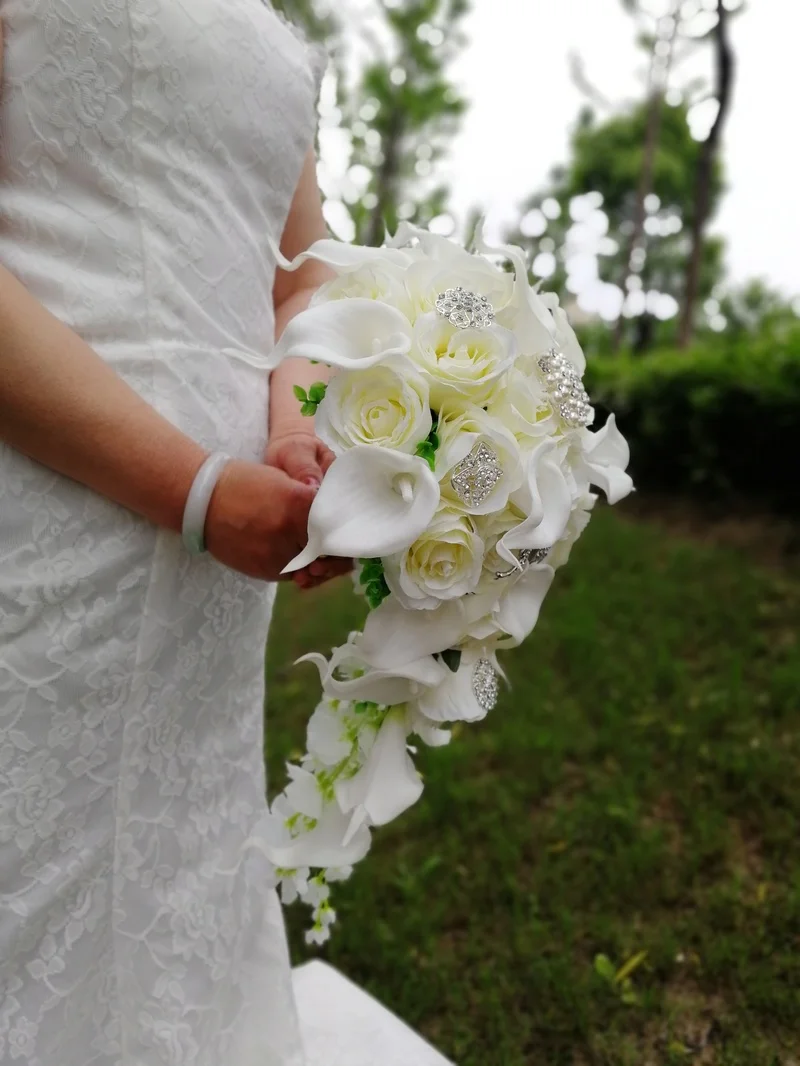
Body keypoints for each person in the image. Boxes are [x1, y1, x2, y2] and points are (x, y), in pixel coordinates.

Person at [0, 3, 349, 1063]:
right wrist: (192, 487)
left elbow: (306, 269)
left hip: (222, 565)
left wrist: (297, 422)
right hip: (52, 509)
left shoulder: (278, 32)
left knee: (179, 852)